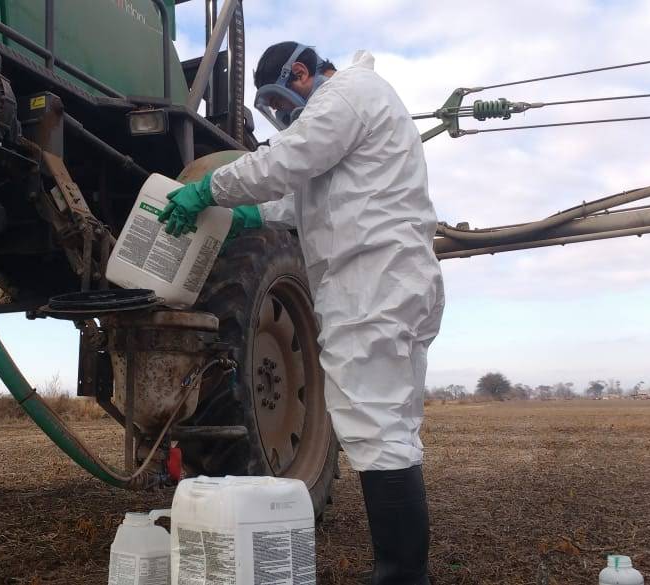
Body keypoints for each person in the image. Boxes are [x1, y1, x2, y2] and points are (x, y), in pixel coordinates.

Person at [158, 42, 445, 585]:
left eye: (279, 102)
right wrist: (248, 212)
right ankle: (406, 571)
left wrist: (209, 190)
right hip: (391, 281)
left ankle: (402, 574)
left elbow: (286, 162)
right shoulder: (358, 107)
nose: (282, 115)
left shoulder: (348, 95)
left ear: (302, 73)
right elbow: (301, 198)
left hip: (371, 284)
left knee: (376, 426)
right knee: (392, 428)